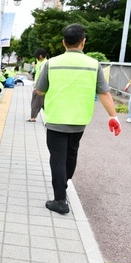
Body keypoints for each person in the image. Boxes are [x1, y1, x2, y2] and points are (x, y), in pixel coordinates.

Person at [35, 23, 121, 215]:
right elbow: (105, 93)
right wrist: (113, 116)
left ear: (63, 42)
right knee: (71, 154)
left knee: (57, 159)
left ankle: (60, 201)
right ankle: (63, 185)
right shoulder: (93, 64)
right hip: (80, 120)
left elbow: (39, 90)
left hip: (57, 119)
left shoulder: (52, 63)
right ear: (83, 42)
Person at [26, 48, 48, 122]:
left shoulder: (44, 64)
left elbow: (42, 76)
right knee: (43, 102)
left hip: (40, 86)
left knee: (36, 101)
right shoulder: (42, 63)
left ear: (41, 56)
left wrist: (38, 86)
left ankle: (33, 117)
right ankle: (51, 116)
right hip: (40, 85)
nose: (36, 58)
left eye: (37, 56)